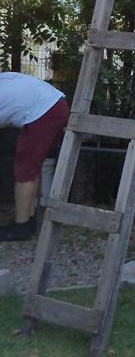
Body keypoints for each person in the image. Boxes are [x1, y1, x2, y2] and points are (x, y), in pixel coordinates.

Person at [0, 72, 69, 241]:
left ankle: (21, 228)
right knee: (30, 166)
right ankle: (28, 221)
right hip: (52, 105)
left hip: (45, 111)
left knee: (25, 168)